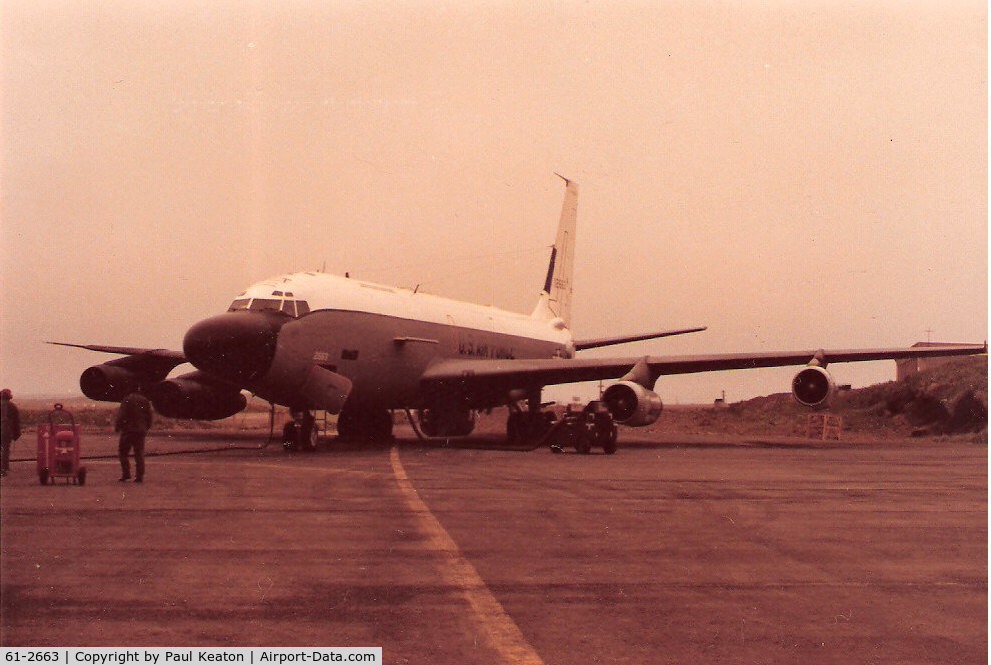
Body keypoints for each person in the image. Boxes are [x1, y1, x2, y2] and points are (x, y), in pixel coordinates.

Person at [115, 392, 152, 482]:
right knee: (139, 453)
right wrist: (146, 427)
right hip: (140, 431)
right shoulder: (145, 400)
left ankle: (126, 474)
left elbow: (121, 415)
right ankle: (139, 476)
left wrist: (118, 427)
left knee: (123, 452)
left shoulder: (127, 400)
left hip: (128, 430)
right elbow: (149, 416)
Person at [1, 389, 21, 477]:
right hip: (6, 431)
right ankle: (4, 468)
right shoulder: (13, 406)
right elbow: (16, 422)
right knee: (5, 449)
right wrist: (16, 434)